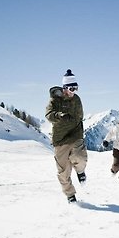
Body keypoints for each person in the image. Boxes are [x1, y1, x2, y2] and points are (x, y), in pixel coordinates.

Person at [45, 69, 87, 203]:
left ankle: (80, 172)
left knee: (80, 158)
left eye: (76, 88)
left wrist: (78, 130)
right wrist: (60, 115)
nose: (73, 91)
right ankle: (70, 195)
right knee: (63, 171)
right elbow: (48, 115)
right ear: (64, 88)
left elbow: (80, 116)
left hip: (75, 134)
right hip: (60, 139)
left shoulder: (77, 99)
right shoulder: (54, 100)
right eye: (71, 88)